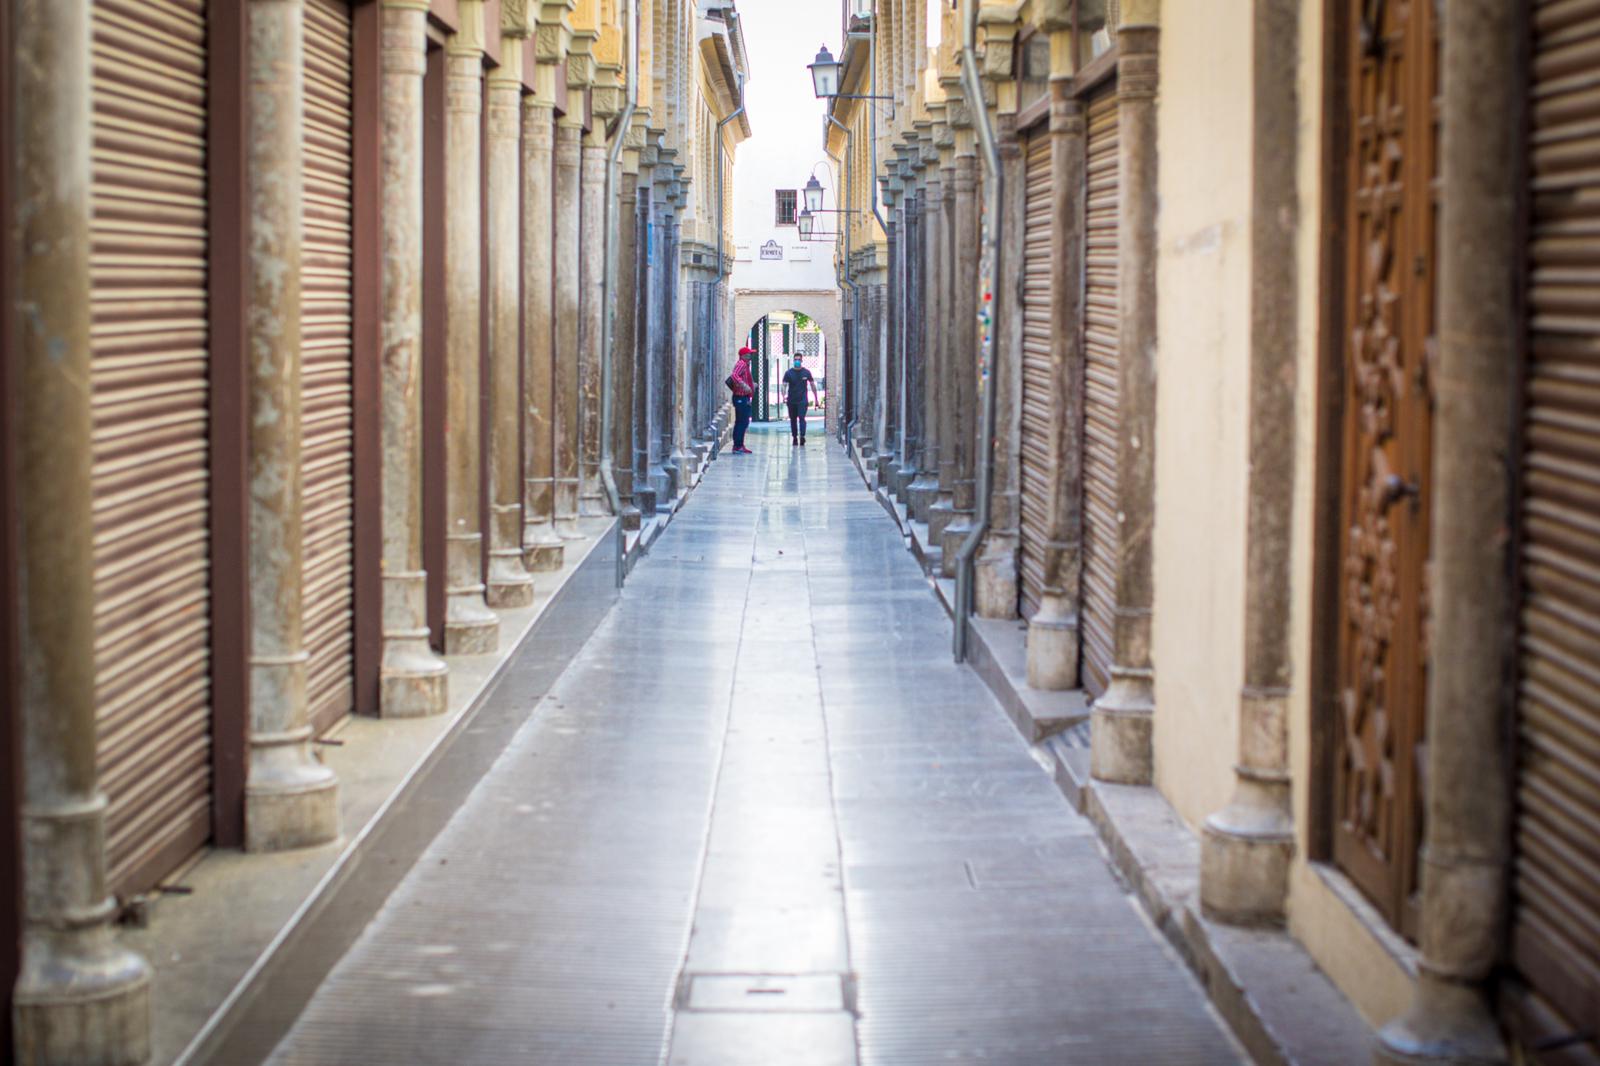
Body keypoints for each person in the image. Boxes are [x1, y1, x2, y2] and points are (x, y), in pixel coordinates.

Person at [781, 354, 820, 445]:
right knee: (793, 419)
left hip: (802, 400)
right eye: (795, 359)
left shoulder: (806, 372)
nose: (797, 361)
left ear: (801, 361)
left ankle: (802, 436)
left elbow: (812, 385)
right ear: (793, 361)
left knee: (802, 418)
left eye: (799, 360)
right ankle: (794, 437)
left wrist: (816, 399)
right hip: (791, 400)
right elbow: (784, 385)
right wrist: (783, 396)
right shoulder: (788, 373)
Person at [727, 346, 756, 454]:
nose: (750, 356)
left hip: (744, 397)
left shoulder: (745, 365)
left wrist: (751, 385)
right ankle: (737, 445)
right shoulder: (742, 364)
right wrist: (744, 385)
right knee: (742, 422)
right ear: (743, 356)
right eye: (749, 354)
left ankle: (739, 445)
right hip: (740, 397)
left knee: (742, 422)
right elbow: (734, 376)